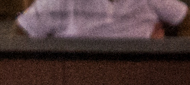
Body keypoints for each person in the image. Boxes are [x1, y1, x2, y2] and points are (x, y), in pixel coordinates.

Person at [14, 0, 188, 38]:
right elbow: (20, 35)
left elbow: (186, 20)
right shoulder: (58, 1)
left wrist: (167, 49)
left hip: (143, 78)